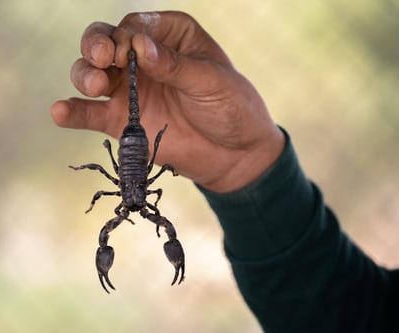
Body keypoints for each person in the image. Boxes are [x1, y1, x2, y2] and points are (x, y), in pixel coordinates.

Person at [50, 11, 398, 332]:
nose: (140, 213)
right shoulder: (149, 198)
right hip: (138, 152)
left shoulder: (128, 204)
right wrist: (246, 169)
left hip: (131, 155)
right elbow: (350, 315)